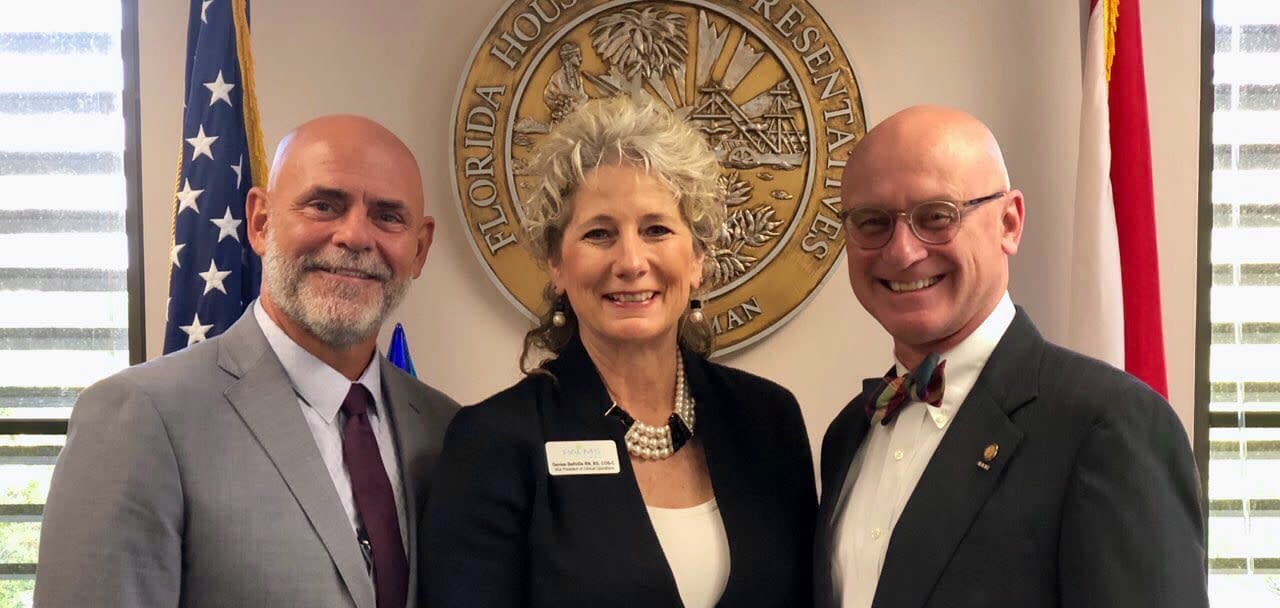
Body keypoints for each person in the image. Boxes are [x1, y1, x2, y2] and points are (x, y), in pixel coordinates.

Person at [35, 115, 459, 608]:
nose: (355, 237)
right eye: (324, 205)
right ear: (260, 222)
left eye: (387, 216)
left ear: (420, 248)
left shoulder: (447, 429)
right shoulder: (140, 418)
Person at [424, 96, 816, 608]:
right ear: (557, 266)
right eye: (599, 234)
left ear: (697, 259)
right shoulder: (494, 442)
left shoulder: (769, 420)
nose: (631, 261)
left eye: (656, 229)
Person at [814, 105, 1208, 608]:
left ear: (1009, 223)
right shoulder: (847, 434)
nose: (903, 251)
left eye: (936, 216)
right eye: (872, 222)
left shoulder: (1109, 425)